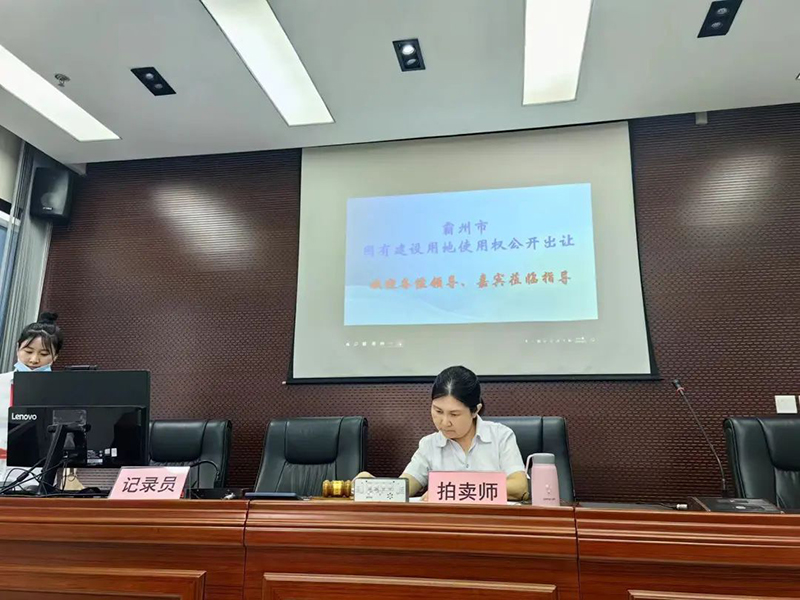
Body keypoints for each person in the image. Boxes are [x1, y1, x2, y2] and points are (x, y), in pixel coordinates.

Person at [356, 365, 528, 501]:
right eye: (438, 411)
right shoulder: (429, 445)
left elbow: (519, 487)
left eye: (454, 414)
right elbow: (404, 488)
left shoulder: (500, 436)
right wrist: (373, 485)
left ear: (475, 410)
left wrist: (451, 491)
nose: (444, 422)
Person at [0, 312, 64, 483]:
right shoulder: (1, 383)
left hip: (39, 472)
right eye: (28, 351)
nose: (34, 360)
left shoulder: (62, 391)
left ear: (55, 356)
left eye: (44, 354)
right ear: (17, 348)